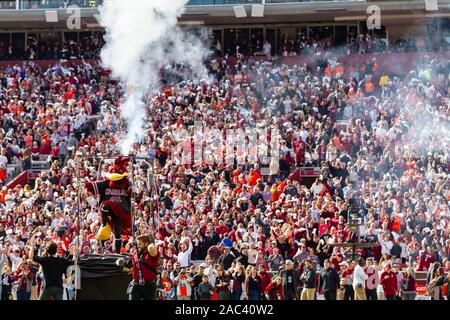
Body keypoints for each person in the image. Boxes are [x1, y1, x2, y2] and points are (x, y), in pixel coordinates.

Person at [125, 234, 160, 300]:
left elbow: (152, 250)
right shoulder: (135, 253)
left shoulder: (152, 252)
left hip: (149, 286)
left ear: (146, 243)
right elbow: (135, 266)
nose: (138, 246)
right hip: (136, 284)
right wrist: (129, 269)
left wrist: (150, 244)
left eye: (140, 244)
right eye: (137, 244)